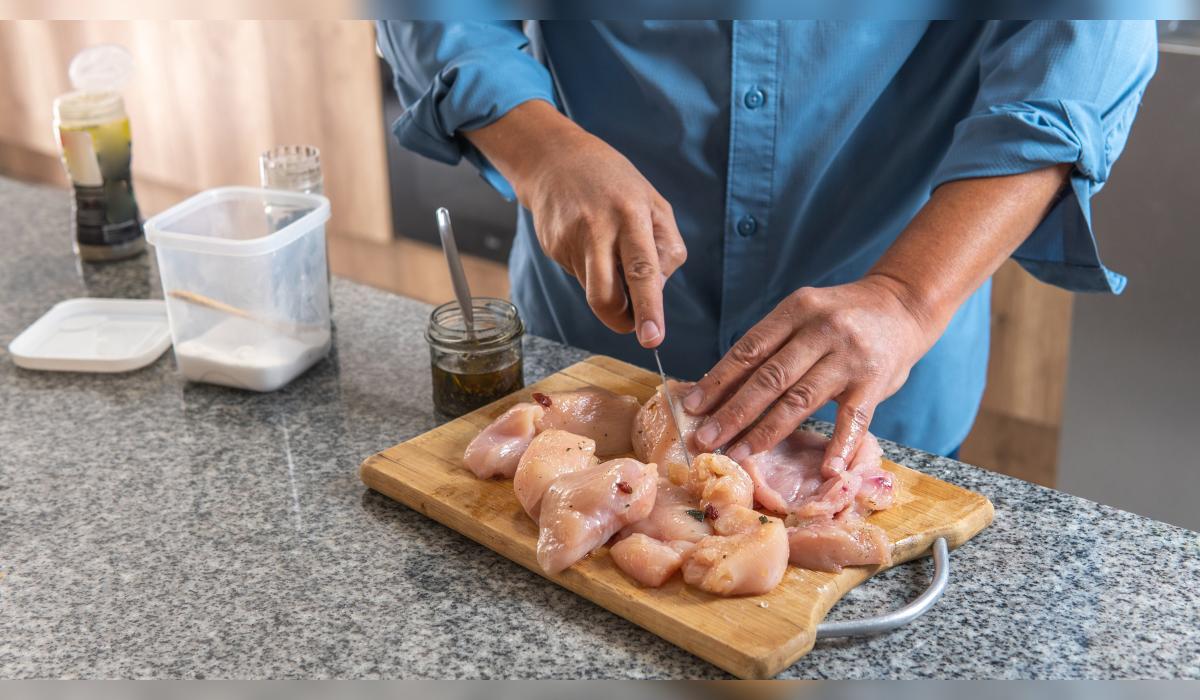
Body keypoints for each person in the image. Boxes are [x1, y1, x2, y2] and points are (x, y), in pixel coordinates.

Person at [377, 20, 1156, 470]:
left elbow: (1085, 43)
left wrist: (908, 297)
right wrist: (539, 148)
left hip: (879, 383)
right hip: (585, 347)